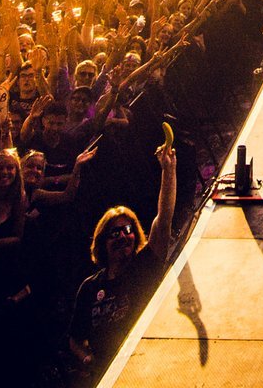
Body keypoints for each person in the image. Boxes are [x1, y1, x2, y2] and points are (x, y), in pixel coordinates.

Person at [67, 131, 179, 373]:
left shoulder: (144, 265)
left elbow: (164, 218)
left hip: (148, 360)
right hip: (108, 369)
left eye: (128, 229)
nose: (122, 236)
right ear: (101, 242)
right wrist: (87, 358)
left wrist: (168, 171)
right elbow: (75, 339)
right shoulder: (89, 288)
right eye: (114, 233)